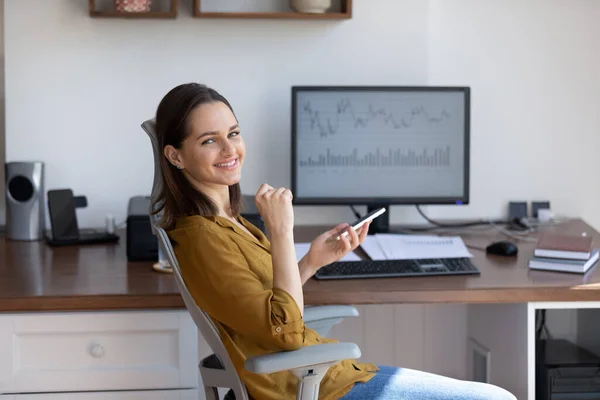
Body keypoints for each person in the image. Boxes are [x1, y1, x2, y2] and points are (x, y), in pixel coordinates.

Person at [151, 82, 517, 400]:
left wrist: (311, 261)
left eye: (233, 133)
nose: (230, 150)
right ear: (175, 155)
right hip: (306, 387)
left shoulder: (227, 221)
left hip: (324, 376)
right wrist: (281, 231)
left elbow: (262, 304)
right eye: (209, 141)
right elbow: (285, 332)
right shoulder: (203, 238)